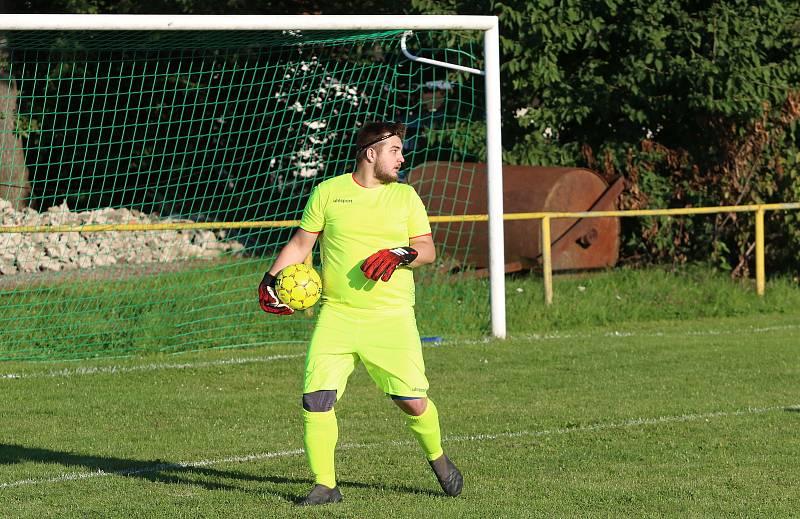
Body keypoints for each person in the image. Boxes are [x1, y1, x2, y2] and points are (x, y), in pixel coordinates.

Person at [258, 121, 463, 506]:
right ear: (372, 153)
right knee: (315, 398)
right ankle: (325, 486)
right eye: (395, 151)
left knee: (411, 401)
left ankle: (438, 458)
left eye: (402, 152)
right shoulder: (328, 192)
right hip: (336, 315)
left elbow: (427, 249)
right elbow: (302, 243)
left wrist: (401, 253)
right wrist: (269, 279)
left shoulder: (405, 197)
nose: (402, 158)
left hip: (391, 317)